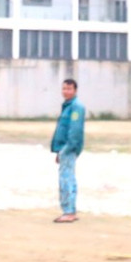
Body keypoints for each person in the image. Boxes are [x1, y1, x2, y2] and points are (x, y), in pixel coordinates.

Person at [49, 77, 85, 223]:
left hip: (69, 148)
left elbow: (75, 131)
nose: (66, 91)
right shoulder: (67, 106)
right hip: (64, 149)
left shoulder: (76, 107)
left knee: (66, 179)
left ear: (75, 90)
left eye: (69, 89)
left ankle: (69, 212)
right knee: (68, 177)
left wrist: (66, 150)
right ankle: (70, 210)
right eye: (64, 88)